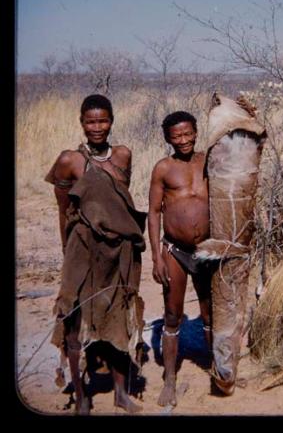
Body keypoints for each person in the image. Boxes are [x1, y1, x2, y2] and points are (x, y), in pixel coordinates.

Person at [45, 94, 146, 415]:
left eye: (103, 121)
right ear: (81, 123)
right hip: (83, 249)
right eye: (91, 121)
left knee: (118, 313)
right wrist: (67, 254)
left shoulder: (123, 155)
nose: (97, 127)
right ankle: (82, 395)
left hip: (119, 250)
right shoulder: (68, 161)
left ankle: (119, 392)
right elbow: (64, 211)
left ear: (112, 121)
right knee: (74, 314)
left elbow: (120, 205)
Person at [148, 111, 214, 408]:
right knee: (172, 314)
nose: (183, 140)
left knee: (210, 312)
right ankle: (170, 379)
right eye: (176, 136)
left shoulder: (209, 161)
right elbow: (153, 213)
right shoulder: (163, 168)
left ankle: (215, 368)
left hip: (207, 249)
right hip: (175, 250)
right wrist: (155, 257)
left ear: (196, 132)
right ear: (167, 139)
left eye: (188, 134)